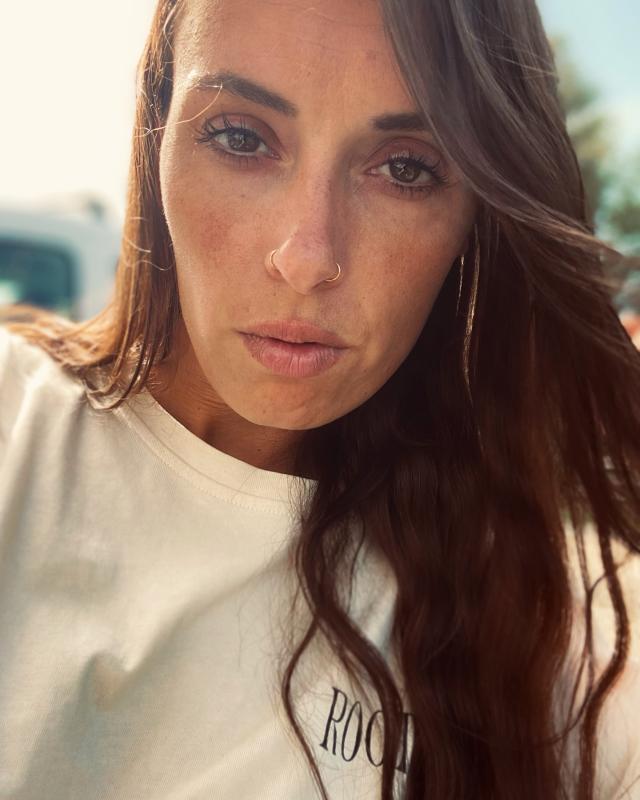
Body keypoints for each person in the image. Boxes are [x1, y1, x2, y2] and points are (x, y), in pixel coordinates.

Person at [0, 0, 639, 798]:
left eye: (406, 168)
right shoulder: (17, 434)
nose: (306, 258)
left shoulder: (546, 629)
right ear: (157, 132)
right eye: (241, 137)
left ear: (479, 213)